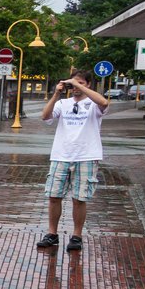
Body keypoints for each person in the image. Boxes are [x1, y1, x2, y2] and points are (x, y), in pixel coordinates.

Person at [37, 69, 110, 253]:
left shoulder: (93, 104)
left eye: (81, 83)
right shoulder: (63, 103)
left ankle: (76, 236)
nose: (75, 88)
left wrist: (78, 85)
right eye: (73, 84)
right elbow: (45, 116)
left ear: (88, 85)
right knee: (54, 196)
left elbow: (104, 102)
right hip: (61, 155)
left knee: (79, 198)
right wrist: (56, 93)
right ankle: (52, 234)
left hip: (86, 155)